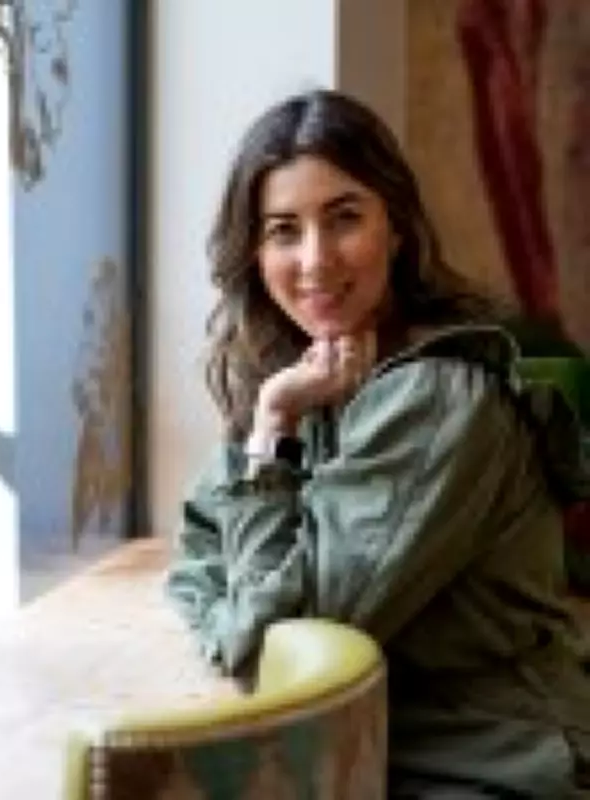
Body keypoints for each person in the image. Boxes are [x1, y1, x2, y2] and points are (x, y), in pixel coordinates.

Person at [164, 89, 590, 797]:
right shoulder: (308, 382)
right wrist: (275, 425)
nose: (315, 259)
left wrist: (273, 431)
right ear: (255, 252)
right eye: (283, 231)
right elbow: (198, 554)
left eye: (344, 218)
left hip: (496, 771)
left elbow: (273, 652)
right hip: (370, 759)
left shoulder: (441, 400)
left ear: (395, 229)